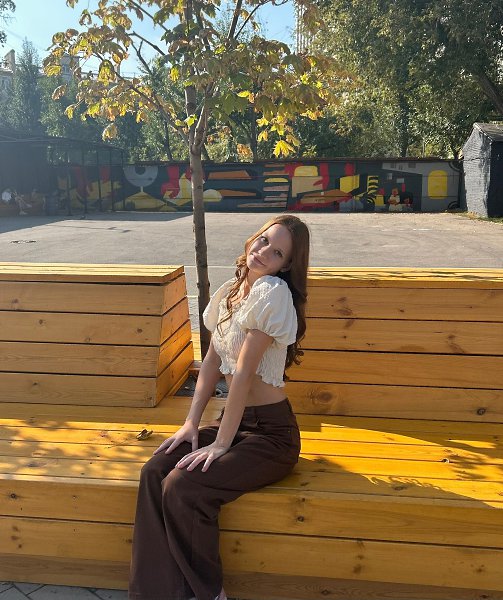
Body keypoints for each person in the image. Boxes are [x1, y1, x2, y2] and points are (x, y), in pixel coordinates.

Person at [129, 215, 310, 600]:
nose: (264, 252)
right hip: (235, 421)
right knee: (154, 470)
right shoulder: (231, 290)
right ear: (253, 239)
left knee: (184, 486)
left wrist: (221, 443)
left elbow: (242, 372)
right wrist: (190, 424)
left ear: (287, 265)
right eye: (263, 241)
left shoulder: (273, 292)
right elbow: (211, 361)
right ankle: (157, 593)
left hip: (272, 437)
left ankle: (209, 593)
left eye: (278, 252)